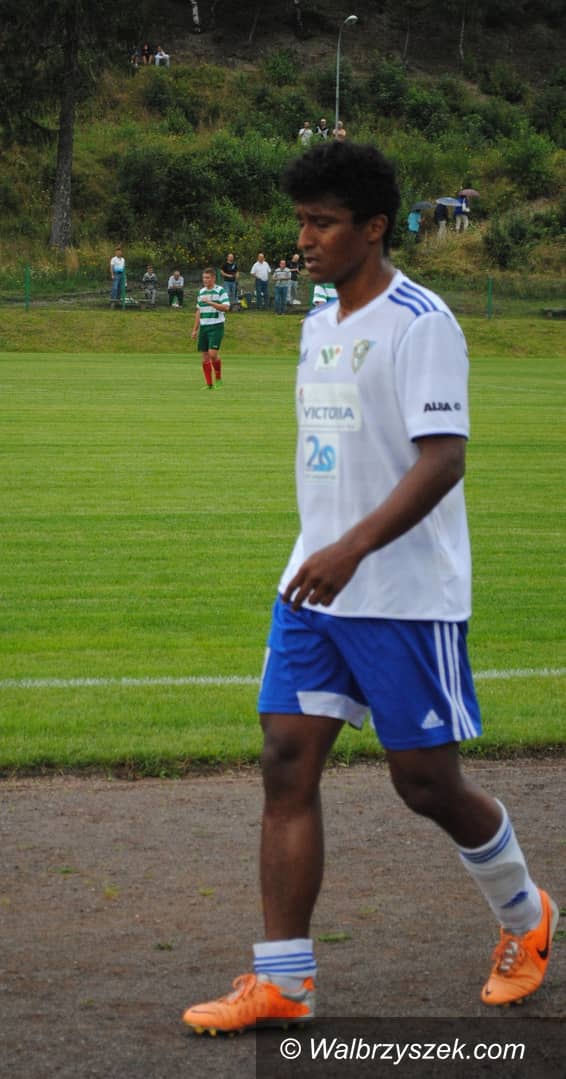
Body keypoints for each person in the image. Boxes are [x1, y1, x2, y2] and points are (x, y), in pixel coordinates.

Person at [182, 139, 558, 1033]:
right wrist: (323, 553)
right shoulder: (318, 323)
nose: (304, 239)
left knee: (425, 783)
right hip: (314, 588)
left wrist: (351, 548)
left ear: (376, 227)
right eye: (301, 221)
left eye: (323, 223)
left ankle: (527, 914)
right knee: (285, 760)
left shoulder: (422, 322)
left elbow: (443, 460)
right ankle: (284, 980)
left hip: (404, 595)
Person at [191, 267, 230, 389]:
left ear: (213, 278)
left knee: (212, 354)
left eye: (208, 278)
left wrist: (210, 302)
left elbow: (226, 307)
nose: (205, 280)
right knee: (205, 356)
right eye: (204, 278)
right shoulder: (201, 292)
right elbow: (199, 311)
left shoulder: (220, 291)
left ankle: (218, 378)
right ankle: (209, 384)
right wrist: (195, 329)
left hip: (216, 326)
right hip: (204, 327)